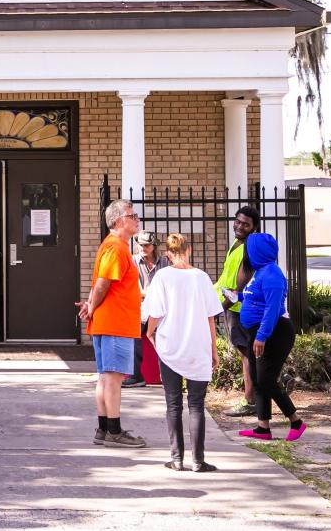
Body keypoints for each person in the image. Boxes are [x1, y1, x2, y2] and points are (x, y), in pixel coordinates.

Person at [145, 234, 223, 472]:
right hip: (198, 347)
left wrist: (149, 333)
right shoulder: (202, 277)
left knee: (173, 404)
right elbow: (211, 318)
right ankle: (198, 460)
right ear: (189, 250)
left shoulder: (162, 276)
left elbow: (155, 313)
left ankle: (177, 459)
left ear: (167, 253)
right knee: (197, 405)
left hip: (170, 348)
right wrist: (214, 349)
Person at [76, 199, 146, 448]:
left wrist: (90, 305)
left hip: (108, 321)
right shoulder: (117, 246)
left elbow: (100, 284)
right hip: (115, 322)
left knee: (105, 377)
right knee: (113, 378)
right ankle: (114, 430)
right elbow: (104, 282)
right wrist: (91, 306)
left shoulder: (114, 245)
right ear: (118, 221)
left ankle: (104, 429)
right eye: (132, 215)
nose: (137, 219)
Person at [237, 233, 307, 442]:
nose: (246, 253)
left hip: (274, 333)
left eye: (249, 249)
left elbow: (273, 308)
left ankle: (296, 421)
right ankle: (262, 428)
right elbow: (256, 297)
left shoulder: (273, 274)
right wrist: (238, 296)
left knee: (266, 380)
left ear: (257, 251)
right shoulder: (260, 272)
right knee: (258, 379)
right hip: (257, 333)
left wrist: (262, 336)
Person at [214, 206, 260, 417]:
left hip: (239, 308)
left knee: (247, 355)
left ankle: (250, 401)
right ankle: (261, 391)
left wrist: (217, 309)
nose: (240, 226)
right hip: (230, 305)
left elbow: (239, 287)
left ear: (254, 227)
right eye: (238, 221)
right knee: (246, 354)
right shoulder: (237, 242)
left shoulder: (249, 249)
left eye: (246, 224)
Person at [125, 231, 170, 388]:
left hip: (160, 306)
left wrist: (149, 293)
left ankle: (168, 376)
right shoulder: (132, 261)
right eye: (140, 244)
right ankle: (135, 375)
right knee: (134, 338)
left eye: (146, 245)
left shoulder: (164, 262)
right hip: (140, 306)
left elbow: (167, 287)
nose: (143, 247)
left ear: (154, 246)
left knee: (165, 340)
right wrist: (148, 293)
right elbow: (133, 288)